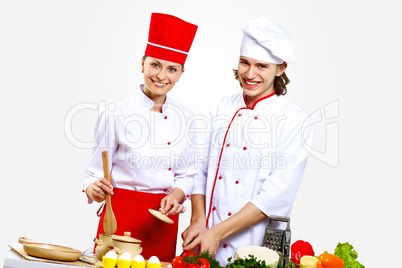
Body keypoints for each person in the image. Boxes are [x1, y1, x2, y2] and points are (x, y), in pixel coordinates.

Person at [182, 17, 313, 265]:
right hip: (205, 245)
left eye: (261, 66)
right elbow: (198, 168)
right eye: (245, 63)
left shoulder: (295, 120)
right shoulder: (221, 107)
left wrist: (217, 232)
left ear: (281, 68)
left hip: (255, 250)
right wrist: (197, 221)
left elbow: (276, 197)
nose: (250, 74)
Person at [82, 13, 198, 262]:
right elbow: (92, 174)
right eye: (155, 64)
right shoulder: (115, 114)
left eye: (172, 69)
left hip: (162, 222)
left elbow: (187, 175)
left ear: (181, 73)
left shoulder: (188, 119)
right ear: (142, 64)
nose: (161, 75)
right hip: (119, 217)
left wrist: (176, 196)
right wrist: (94, 189)